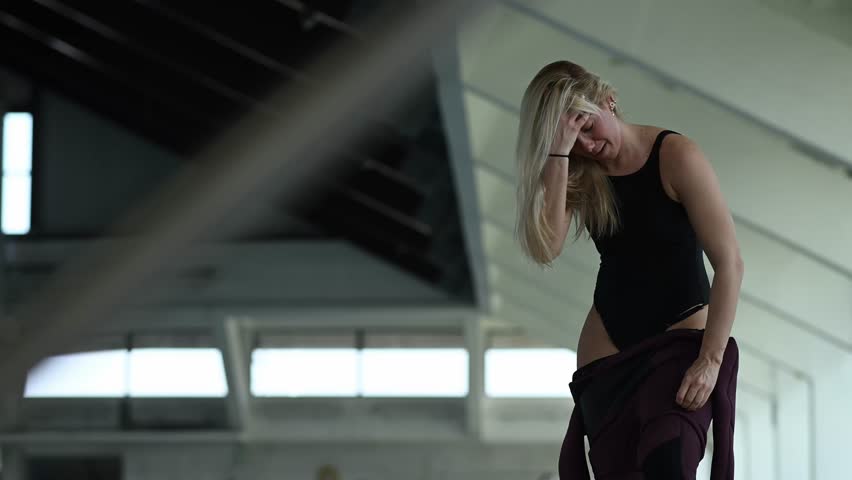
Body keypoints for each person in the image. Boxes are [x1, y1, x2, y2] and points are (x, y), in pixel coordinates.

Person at [514, 61, 745, 478]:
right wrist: (558, 154)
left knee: (668, 465)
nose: (587, 145)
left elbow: (729, 262)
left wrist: (711, 360)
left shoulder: (675, 156)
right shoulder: (577, 171)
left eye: (588, 127)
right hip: (608, 349)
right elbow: (547, 248)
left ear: (609, 101)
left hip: (680, 340)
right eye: (573, 138)